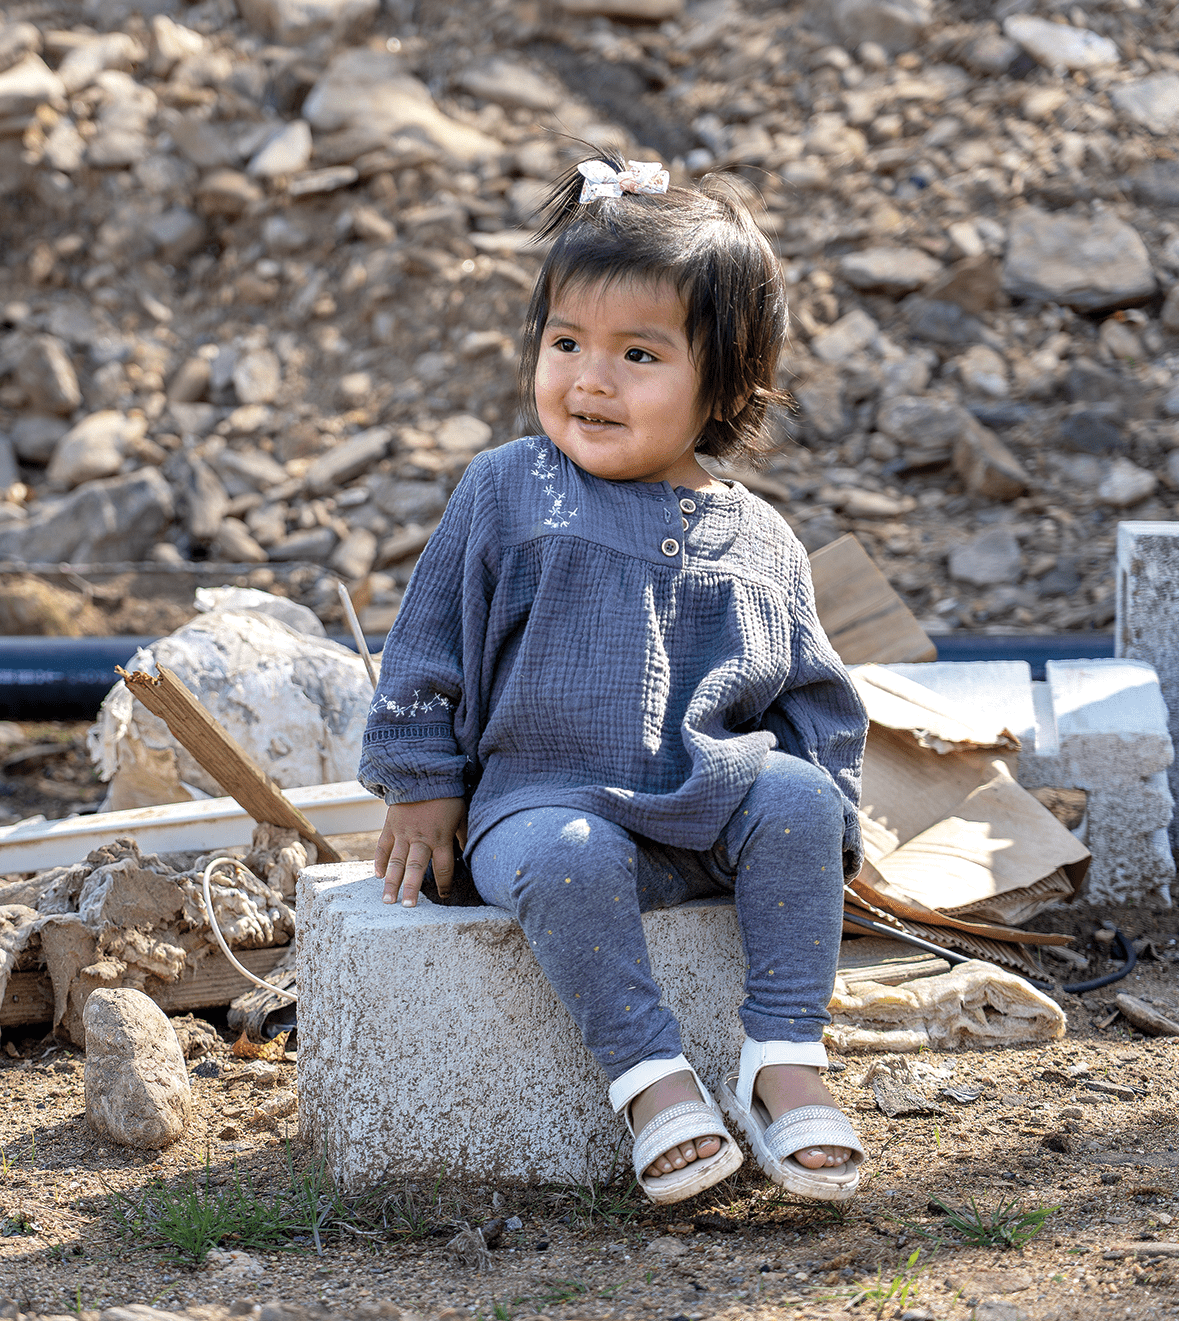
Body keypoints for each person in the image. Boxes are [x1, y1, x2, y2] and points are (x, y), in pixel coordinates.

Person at [358, 154, 869, 1205]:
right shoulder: (507, 489)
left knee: (798, 795)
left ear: (720, 385)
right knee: (571, 852)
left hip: (703, 813)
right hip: (540, 807)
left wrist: (822, 831)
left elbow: (813, 698)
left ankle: (780, 1055)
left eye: (636, 353)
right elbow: (426, 647)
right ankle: (649, 1079)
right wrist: (421, 781)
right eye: (564, 343)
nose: (588, 379)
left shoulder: (757, 538)